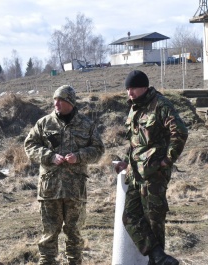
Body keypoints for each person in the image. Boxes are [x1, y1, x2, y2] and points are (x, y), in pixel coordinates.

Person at [24, 85, 105, 265]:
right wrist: (50, 156)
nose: (56, 103)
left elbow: (99, 149)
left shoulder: (86, 125)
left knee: (74, 233)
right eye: (55, 99)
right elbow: (30, 145)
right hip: (49, 189)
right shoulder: (44, 123)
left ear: (70, 102)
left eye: (60, 99)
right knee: (49, 234)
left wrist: (79, 156)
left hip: (75, 189)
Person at [115, 70, 188, 265]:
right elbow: (134, 142)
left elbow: (179, 131)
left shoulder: (161, 105)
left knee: (154, 221)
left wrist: (167, 160)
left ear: (144, 87)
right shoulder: (134, 108)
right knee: (130, 216)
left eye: (133, 88)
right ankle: (157, 255)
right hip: (134, 173)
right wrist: (125, 160)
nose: (130, 92)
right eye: (128, 89)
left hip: (154, 174)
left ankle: (157, 261)